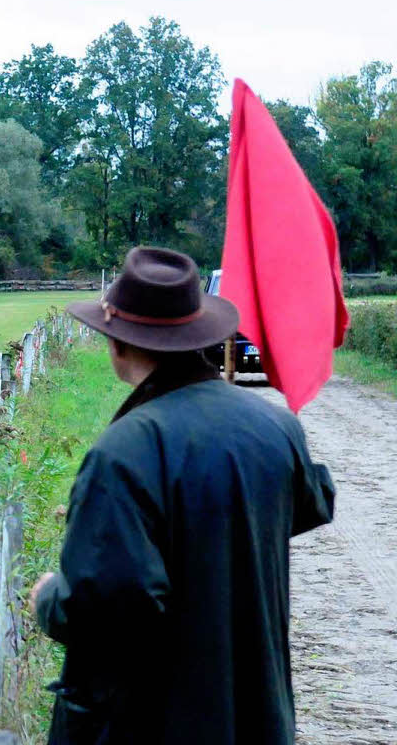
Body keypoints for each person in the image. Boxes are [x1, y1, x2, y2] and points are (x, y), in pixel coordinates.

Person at [28, 247, 336, 745]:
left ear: (118, 343)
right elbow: (311, 500)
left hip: (160, 721)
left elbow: (108, 611)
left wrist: (48, 598)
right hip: (260, 716)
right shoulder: (276, 427)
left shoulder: (124, 452)